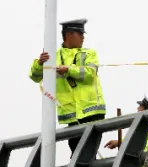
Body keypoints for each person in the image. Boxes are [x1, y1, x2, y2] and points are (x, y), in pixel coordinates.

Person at [29, 18, 106, 153]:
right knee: (76, 156)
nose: (83, 38)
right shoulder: (53, 56)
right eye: (80, 34)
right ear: (68, 35)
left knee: (85, 155)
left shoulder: (89, 53)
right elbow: (34, 76)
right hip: (72, 115)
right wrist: (39, 64)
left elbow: (90, 73)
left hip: (92, 111)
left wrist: (69, 70)